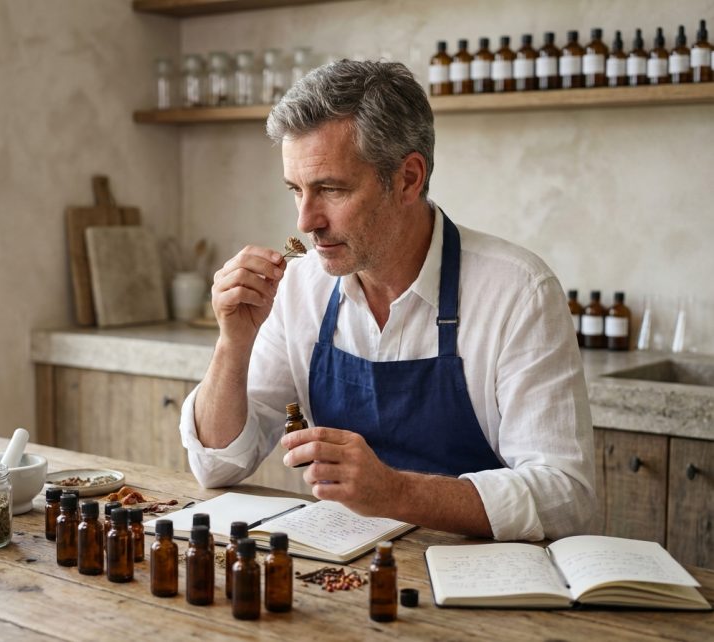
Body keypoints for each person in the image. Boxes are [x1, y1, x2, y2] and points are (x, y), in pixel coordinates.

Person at [178, 59, 595, 541]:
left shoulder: (518, 292)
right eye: (296, 190)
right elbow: (216, 465)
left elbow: (567, 499)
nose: (305, 221)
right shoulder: (300, 286)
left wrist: (396, 492)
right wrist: (233, 342)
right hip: (347, 571)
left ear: (408, 178)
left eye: (331, 189)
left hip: (483, 583)